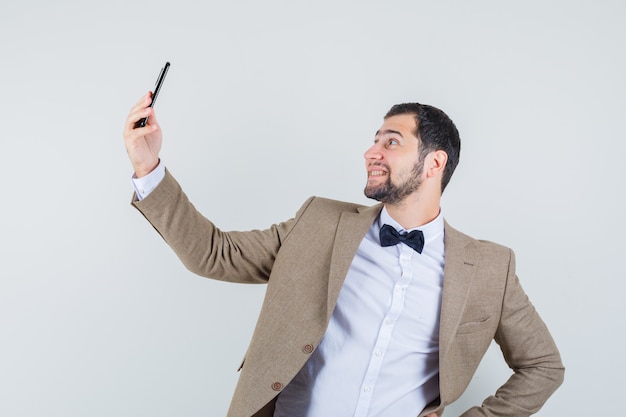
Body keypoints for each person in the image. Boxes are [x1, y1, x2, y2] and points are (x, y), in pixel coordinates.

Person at [123, 92, 564, 417]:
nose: (371, 152)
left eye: (391, 142)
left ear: (434, 164)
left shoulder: (489, 267)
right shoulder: (320, 224)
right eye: (374, 140)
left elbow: (543, 366)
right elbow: (213, 254)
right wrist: (148, 167)